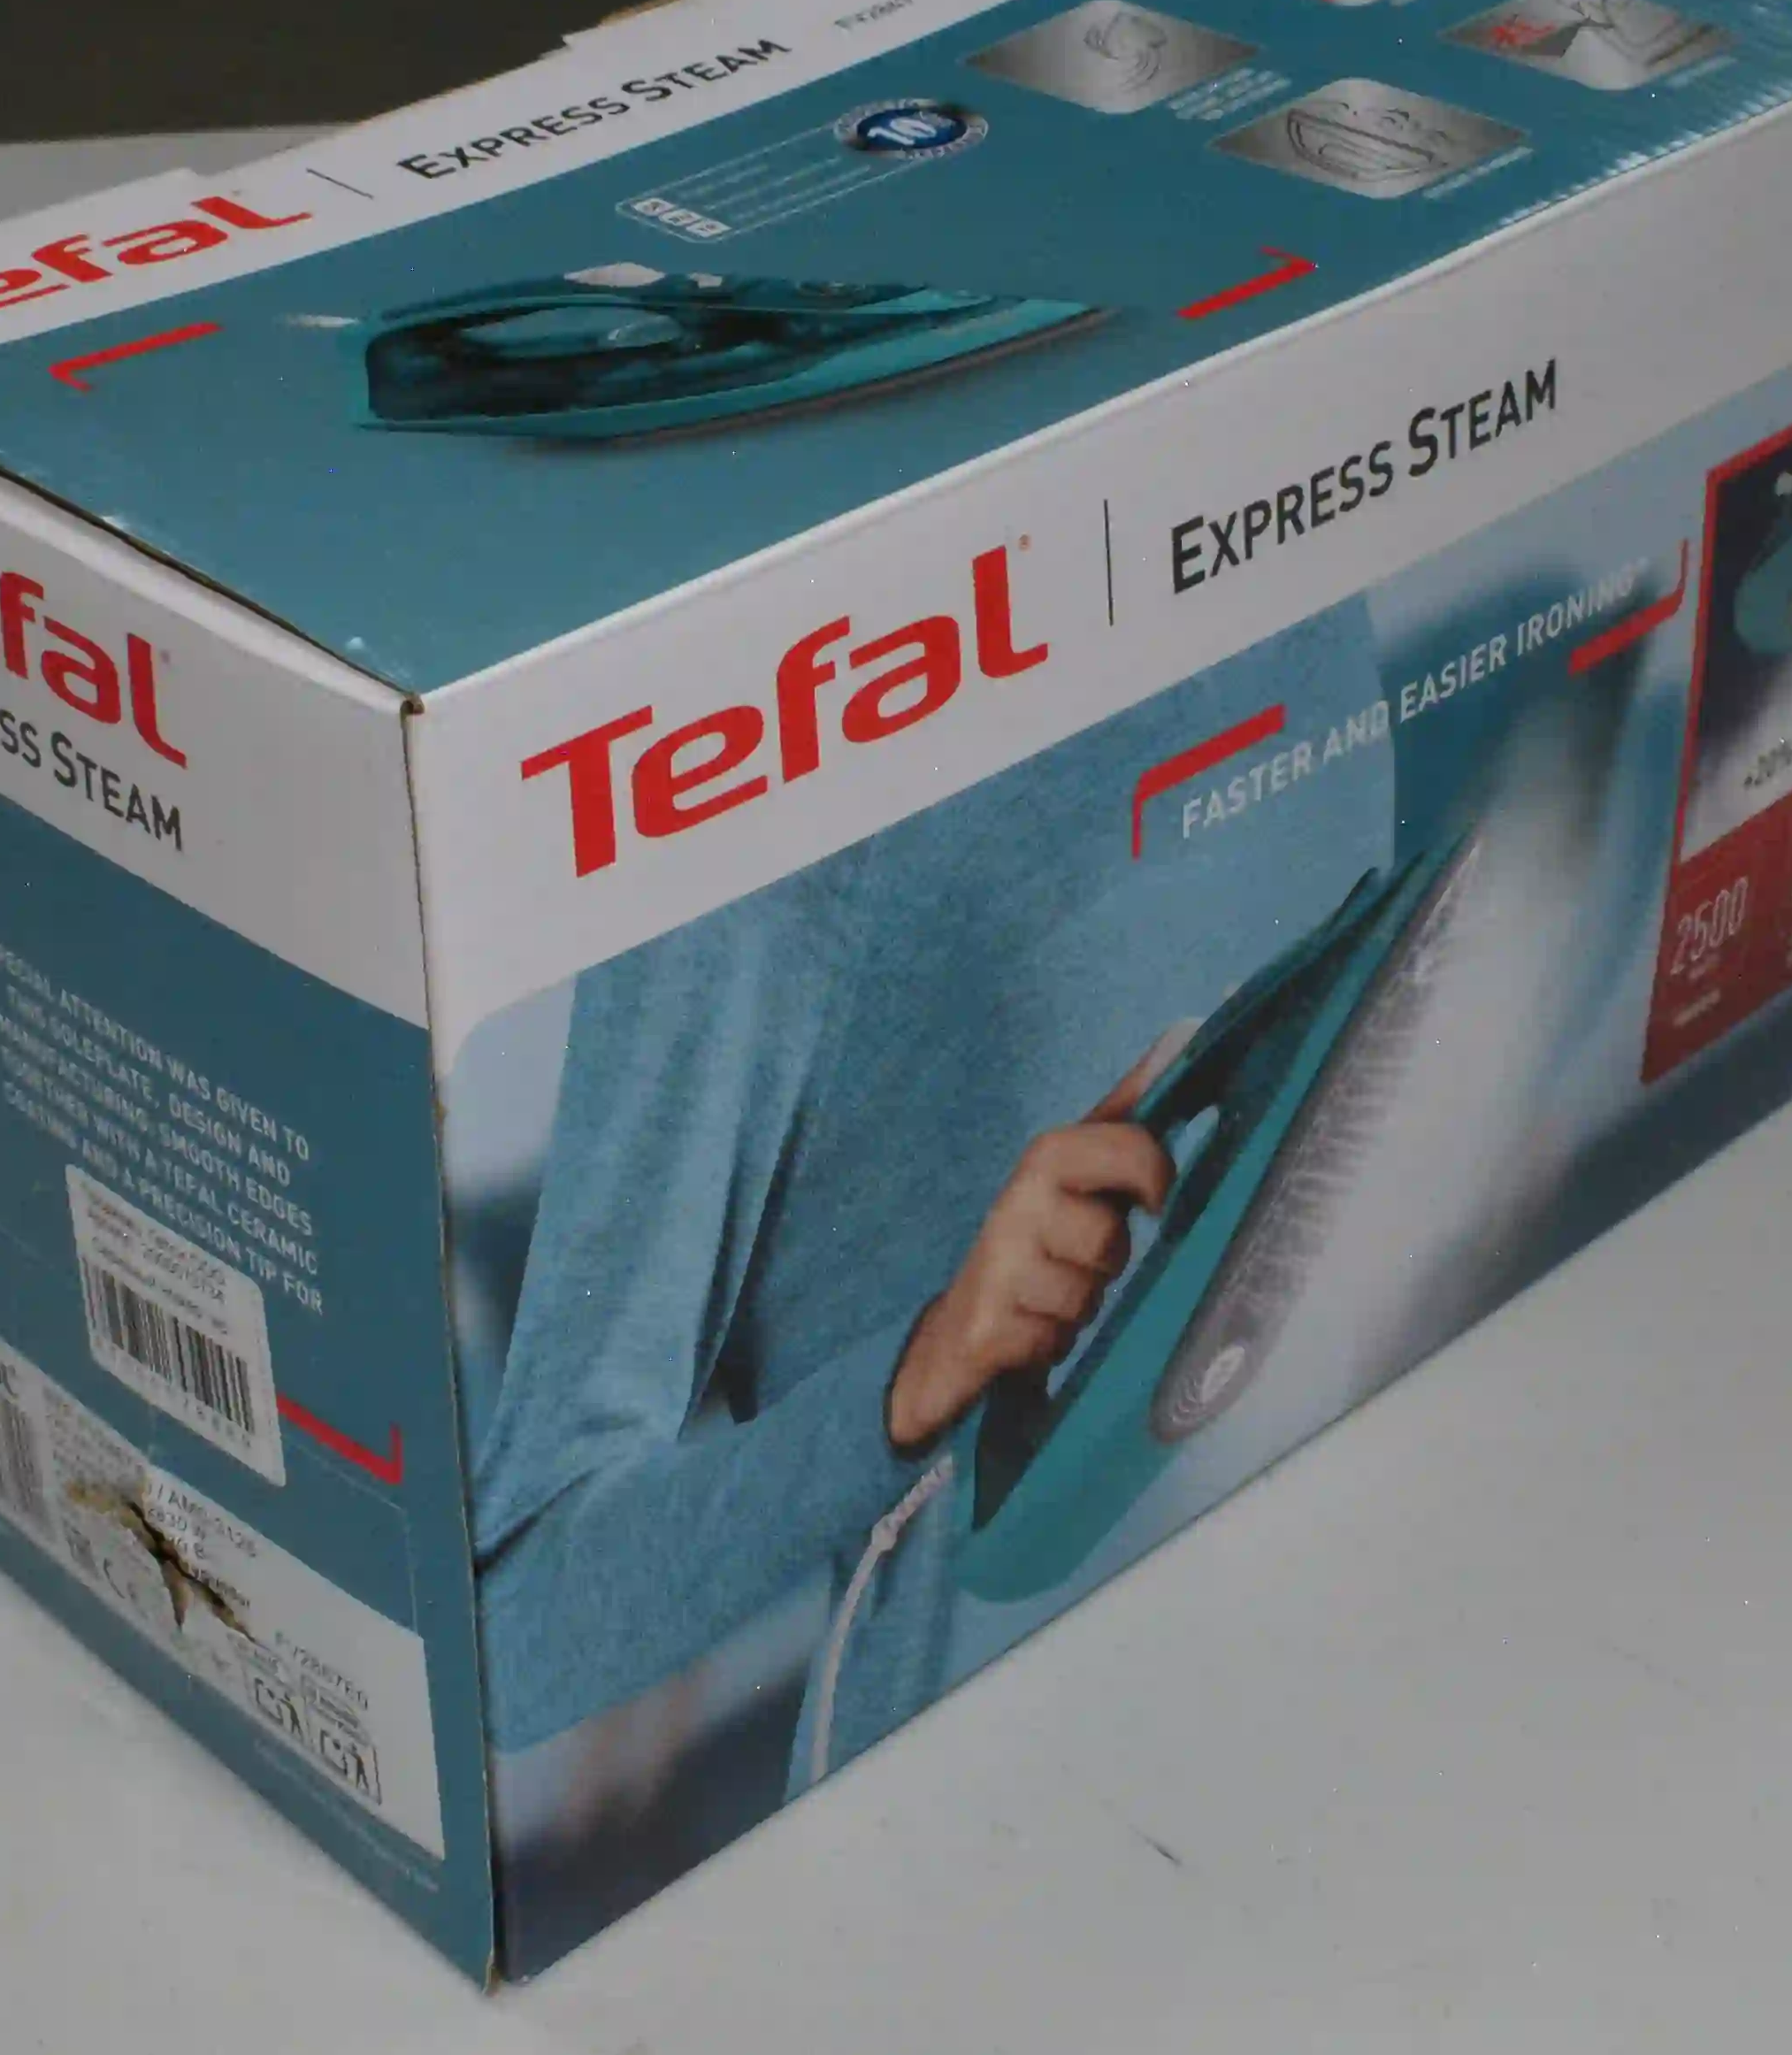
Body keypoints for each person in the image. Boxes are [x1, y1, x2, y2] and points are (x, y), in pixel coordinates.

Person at [470, 602, 1390, 1784]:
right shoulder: (751, 826)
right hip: (981, 1809)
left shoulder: (1303, 596)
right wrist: (922, 1373)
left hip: (1343, 1655)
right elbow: (519, 1628)